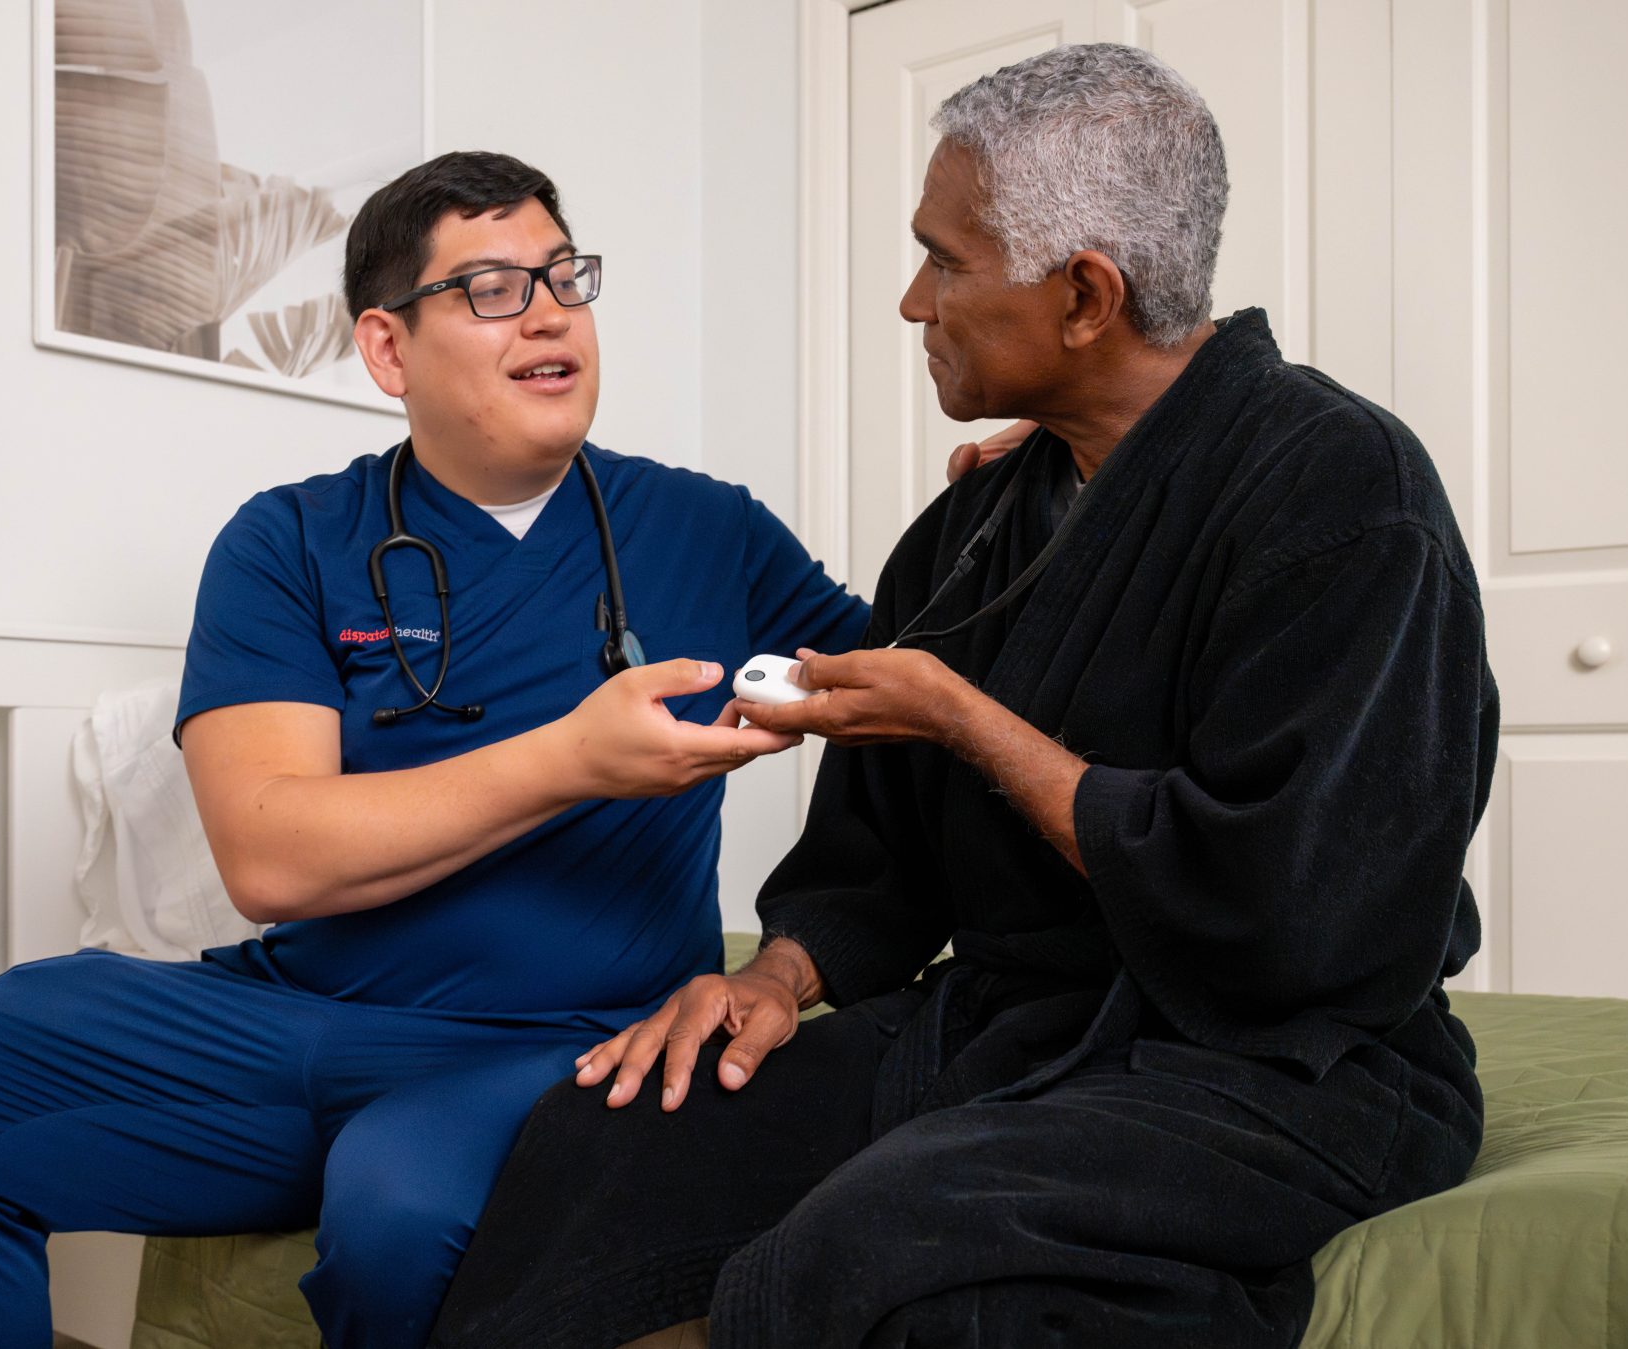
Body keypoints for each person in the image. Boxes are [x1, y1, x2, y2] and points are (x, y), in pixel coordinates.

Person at [430, 45, 1497, 1349]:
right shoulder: (981, 523)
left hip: (1283, 1062)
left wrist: (967, 719)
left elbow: (1292, 908)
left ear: (1086, 296)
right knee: (612, 1129)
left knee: (899, 1234)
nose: (910, 300)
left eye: (944, 259)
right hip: (1007, 1026)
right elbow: (879, 857)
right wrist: (777, 974)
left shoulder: (1341, 490)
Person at [0, 150, 870, 1349]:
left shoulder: (707, 528)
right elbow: (272, 857)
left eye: (564, 275)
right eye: (492, 287)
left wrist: (1008, 506)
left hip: (558, 1044)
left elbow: (917, 693)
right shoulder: (291, 540)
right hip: (288, 1017)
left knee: (400, 1206)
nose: (552, 309)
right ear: (387, 348)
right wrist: (572, 757)